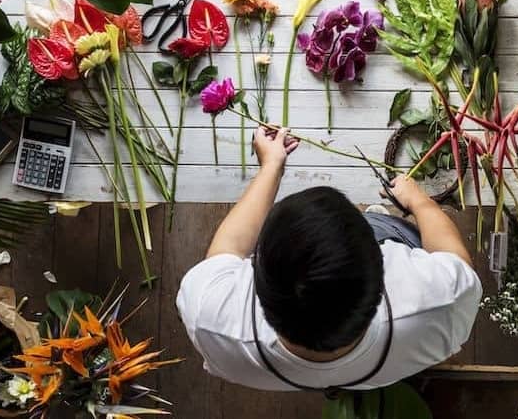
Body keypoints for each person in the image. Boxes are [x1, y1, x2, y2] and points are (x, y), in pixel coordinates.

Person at [176, 127, 482, 392]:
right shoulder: (439, 304)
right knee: (384, 227)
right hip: (384, 361)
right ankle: (375, 224)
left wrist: (271, 166)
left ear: (256, 277)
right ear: (382, 268)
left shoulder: (209, 319)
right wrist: (419, 201)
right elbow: (454, 257)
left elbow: (226, 249)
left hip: (302, 373)